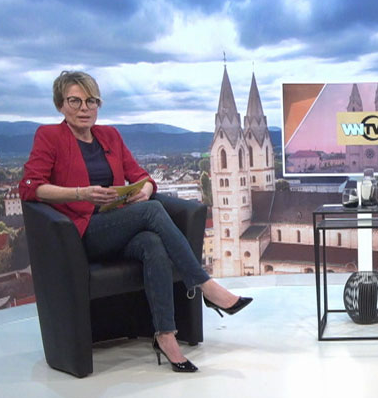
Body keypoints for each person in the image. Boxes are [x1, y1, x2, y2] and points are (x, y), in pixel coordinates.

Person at [19, 70, 251, 373]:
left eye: (91, 101)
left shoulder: (110, 136)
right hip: (80, 233)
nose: (84, 108)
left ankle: (166, 336)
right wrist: (81, 193)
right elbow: (30, 187)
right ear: (60, 105)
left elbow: (142, 176)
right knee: (152, 212)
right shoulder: (49, 137)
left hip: (115, 224)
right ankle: (205, 286)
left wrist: (144, 190)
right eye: (75, 101)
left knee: (152, 243)